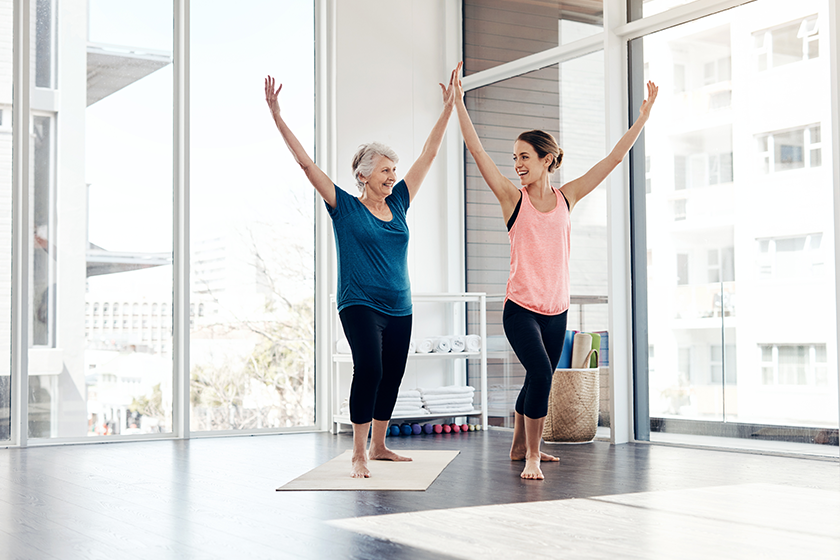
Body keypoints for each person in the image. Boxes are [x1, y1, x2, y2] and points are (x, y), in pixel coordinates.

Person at [451, 61, 658, 480]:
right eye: (514, 158)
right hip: (520, 308)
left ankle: (516, 445)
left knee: (536, 376)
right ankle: (532, 454)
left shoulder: (568, 197)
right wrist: (458, 102)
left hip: (556, 308)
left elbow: (614, 158)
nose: (517, 164)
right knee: (542, 372)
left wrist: (643, 117)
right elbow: (477, 152)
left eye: (524, 157)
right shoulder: (513, 199)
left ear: (547, 160)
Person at [264, 68, 458, 478]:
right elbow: (306, 164)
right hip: (358, 303)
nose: (393, 177)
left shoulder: (399, 202)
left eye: (394, 171)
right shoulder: (344, 207)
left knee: (392, 374)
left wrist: (448, 109)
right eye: (386, 170)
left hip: (400, 304)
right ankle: (357, 453)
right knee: (369, 369)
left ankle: (380, 445)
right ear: (363, 175)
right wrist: (277, 116)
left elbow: (429, 154)